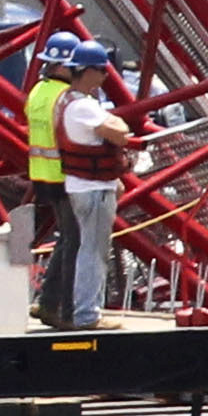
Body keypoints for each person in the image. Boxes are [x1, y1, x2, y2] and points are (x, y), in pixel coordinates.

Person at [51, 46, 136, 329]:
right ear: (86, 71)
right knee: (93, 252)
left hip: (81, 187)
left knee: (89, 249)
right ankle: (87, 314)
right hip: (94, 190)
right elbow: (121, 134)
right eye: (101, 70)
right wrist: (116, 123)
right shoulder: (84, 107)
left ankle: (86, 311)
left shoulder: (67, 101)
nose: (104, 76)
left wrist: (113, 122)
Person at [21, 33, 86, 325]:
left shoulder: (38, 91)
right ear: (63, 66)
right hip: (66, 176)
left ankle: (49, 302)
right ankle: (62, 308)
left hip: (43, 176)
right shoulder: (66, 97)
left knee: (67, 239)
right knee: (75, 242)